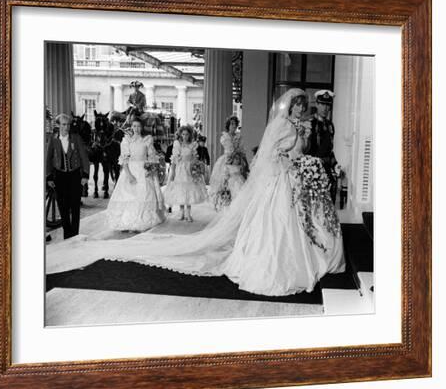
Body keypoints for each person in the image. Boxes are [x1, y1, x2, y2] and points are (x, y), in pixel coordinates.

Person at [54, 89, 344, 296]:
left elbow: (290, 151)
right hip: (279, 181)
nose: (298, 110)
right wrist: (291, 160)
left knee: (294, 223)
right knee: (277, 223)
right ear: (289, 107)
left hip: (291, 182)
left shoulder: (298, 126)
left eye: (301, 106)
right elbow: (270, 154)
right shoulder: (282, 124)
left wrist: (303, 159)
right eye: (296, 106)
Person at [105, 118, 166, 232]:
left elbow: (152, 157)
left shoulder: (146, 140)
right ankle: (127, 222)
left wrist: (150, 168)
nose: (136, 129)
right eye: (134, 126)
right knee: (128, 196)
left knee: (144, 195)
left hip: (143, 171)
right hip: (131, 171)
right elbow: (124, 160)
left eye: (138, 126)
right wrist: (129, 175)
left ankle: (139, 221)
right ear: (131, 127)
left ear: (141, 127)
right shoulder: (127, 141)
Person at [45, 113, 90, 239]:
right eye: (64, 124)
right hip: (59, 176)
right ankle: (67, 234)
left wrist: (85, 175)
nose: (67, 127)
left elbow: (84, 158)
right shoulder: (53, 140)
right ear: (58, 125)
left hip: (75, 176)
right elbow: (48, 159)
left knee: (75, 206)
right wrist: (48, 177)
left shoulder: (76, 138)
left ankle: (75, 235)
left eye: (68, 125)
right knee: (62, 207)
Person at [164, 126, 208, 222]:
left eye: (187, 134)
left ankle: (188, 213)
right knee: (181, 189)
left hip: (189, 168)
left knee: (189, 189)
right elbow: (174, 160)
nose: (185, 136)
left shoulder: (192, 145)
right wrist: (173, 172)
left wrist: (195, 166)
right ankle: (181, 212)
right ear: (180, 135)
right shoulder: (177, 145)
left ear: (190, 135)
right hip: (180, 169)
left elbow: (195, 157)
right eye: (183, 134)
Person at [209, 116, 247, 209]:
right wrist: (233, 155)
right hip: (227, 160)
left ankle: (236, 206)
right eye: (232, 124)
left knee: (239, 181)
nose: (234, 126)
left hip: (237, 160)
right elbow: (230, 149)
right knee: (225, 181)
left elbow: (241, 149)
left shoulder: (239, 136)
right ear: (228, 125)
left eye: (235, 124)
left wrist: (242, 159)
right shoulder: (225, 137)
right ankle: (225, 204)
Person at [307, 90, 338, 203]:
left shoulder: (330, 125)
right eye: (322, 104)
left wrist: (335, 164)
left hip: (326, 171)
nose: (325, 108)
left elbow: (329, 151)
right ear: (316, 104)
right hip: (312, 171)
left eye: (328, 105)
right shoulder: (309, 123)